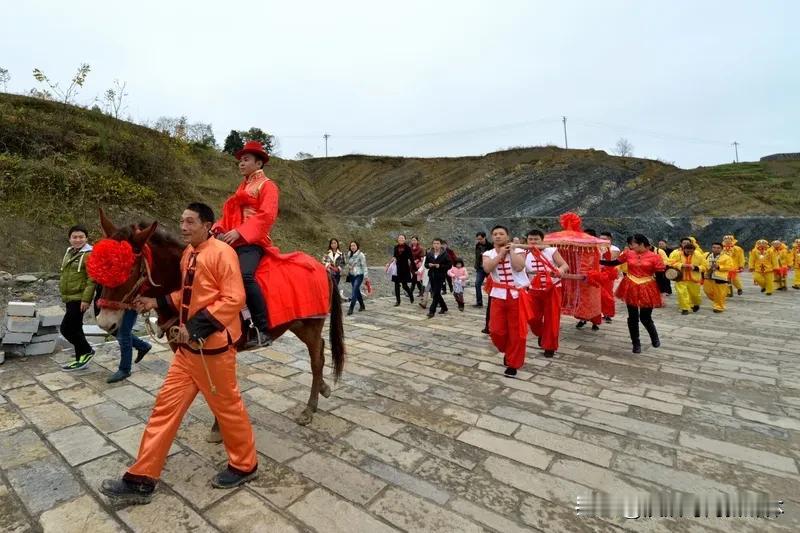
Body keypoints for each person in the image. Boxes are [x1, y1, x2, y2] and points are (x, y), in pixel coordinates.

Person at [101, 203, 258, 504]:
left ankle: (244, 465)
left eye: (190, 222)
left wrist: (196, 328)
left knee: (228, 409)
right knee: (164, 409)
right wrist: (156, 302)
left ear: (208, 225)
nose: (183, 227)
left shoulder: (222, 254)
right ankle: (141, 478)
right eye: (181, 221)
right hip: (187, 353)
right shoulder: (188, 254)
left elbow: (234, 298)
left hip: (213, 351)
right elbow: (186, 294)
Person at [212, 140, 277, 347]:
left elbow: (266, 216)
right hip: (234, 242)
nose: (241, 163)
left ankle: (262, 328)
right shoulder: (241, 188)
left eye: (246, 159)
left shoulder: (267, 186)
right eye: (240, 160)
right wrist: (216, 228)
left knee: (244, 275)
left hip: (253, 242)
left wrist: (240, 232)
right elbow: (228, 217)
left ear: (259, 164)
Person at [600, 234, 664, 353]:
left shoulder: (655, 257)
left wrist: (662, 293)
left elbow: (661, 276)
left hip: (648, 286)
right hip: (630, 286)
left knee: (645, 317)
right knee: (633, 317)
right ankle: (636, 343)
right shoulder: (628, 253)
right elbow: (614, 262)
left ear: (641, 244)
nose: (631, 245)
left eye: (633, 243)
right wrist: (598, 261)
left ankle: (654, 337)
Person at [483, 226, 530, 377]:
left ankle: (513, 364)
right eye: (495, 234)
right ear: (492, 237)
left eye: (501, 234)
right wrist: (501, 253)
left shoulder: (518, 251)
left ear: (508, 236)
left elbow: (519, 266)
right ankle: (508, 351)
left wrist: (510, 251)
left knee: (517, 332)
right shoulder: (488, 253)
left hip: (517, 296)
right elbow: (488, 268)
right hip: (498, 295)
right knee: (496, 330)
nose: (498, 236)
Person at [524, 230, 569, 358]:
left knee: (552, 319)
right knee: (532, 318)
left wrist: (559, 270)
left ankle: (549, 346)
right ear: (527, 241)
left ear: (542, 240)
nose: (533, 242)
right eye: (530, 239)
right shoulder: (524, 253)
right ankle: (542, 334)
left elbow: (565, 265)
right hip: (533, 290)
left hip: (553, 289)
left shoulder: (551, 251)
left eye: (536, 239)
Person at [59, 225, 97, 371]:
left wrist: (86, 300)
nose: (78, 239)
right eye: (74, 237)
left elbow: (91, 279)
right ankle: (80, 359)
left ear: (86, 238)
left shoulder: (88, 254)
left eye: (81, 237)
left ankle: (87, 350)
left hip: (79, 298)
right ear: (69, 239)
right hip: (69, 296)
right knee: (76, 328)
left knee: (66, 329)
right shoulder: (70, 251)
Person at [106, 309, 152, 383]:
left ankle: (125, 369)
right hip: (117, 303)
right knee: (116, 330)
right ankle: (143, 346)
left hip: (131, 303)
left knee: (124, 334)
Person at [668, 239, 707, 314]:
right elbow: (671, 263)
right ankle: (685, 308)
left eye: (691, 251)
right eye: (687, 251)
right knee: (682, 294)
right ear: (683, 249)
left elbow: (705, 266)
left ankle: (696, 304)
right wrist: (681, 265)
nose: (689, 253)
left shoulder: (699, 255)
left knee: (695, 295)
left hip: (694, 279)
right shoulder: (677, 254)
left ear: (694, 250)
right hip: (681, 278)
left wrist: (696, 268)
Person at [703, 242, 735, 313]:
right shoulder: (706, 255)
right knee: (707, 291)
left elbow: (731, 267)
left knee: (719, 293)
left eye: (718, 248)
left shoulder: (726, 257)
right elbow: (702, 263)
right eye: (714, 247)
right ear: (711, 248)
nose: (716, 249)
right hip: (708, 276)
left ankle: (719, 307)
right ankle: (718, 301)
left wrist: (719, 267)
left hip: (720, 278)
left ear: (721, 249)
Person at [425, 238, 451, 318]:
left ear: (440, 245)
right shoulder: (429, 253)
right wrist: (428, 265)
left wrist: (440, 266)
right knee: (437, 293)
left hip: (440, 276)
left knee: (435, 294)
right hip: (432, 275)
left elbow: (449, 265)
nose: (436, 245)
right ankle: (444, 307)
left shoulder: (445, 254)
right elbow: (425, 264)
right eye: (434, 243)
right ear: (432, 244)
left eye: (437, 243)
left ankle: (432, 311)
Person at [599, 232, 620, 323]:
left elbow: (611, 259)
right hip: (597, 272)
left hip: (608, 273)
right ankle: (596, 313)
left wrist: (604, 251)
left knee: (607, 293)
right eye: (600, 239)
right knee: (597, 293)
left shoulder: (615, 248)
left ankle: (608, 314)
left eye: (604, 239)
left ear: (609, 239)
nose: (602, 240)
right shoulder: (596, 247)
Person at [388, 234, 415, 306]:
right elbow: (394, 256)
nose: (401, 239)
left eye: (402, 238)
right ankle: (398, 301)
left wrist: (414, 269)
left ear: (405, 239)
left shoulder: (408, 248)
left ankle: (410, 295)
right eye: (400, 238)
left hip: (405, 268)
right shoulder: (396, 247)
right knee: (396, 285)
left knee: (404, 285)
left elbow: (411, 258)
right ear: (398, 239)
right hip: (397, 268)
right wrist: (388, 264)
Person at [346, 241, 368, 315]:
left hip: (359, 275)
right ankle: (362, 305)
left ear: (357, 246)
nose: (352, 247)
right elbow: (348, 264)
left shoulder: (361, 255)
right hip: (352, 275)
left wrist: (366, 276)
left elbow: (364, 266)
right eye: (351, 245)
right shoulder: (349, 254)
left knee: (354, 290)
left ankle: (351, 308)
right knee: (356, 291)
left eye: (354, 245)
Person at [473, 231, 491, 307]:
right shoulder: (477, 245)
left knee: (491, 285)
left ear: (484, 237)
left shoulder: (490, 245)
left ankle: (491, 302)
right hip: (480, 268)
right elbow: (476, 256)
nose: (479, 240)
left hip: (489, 268)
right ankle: (479, 302)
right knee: (477, 284)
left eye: (480, 239)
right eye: (478, 239)